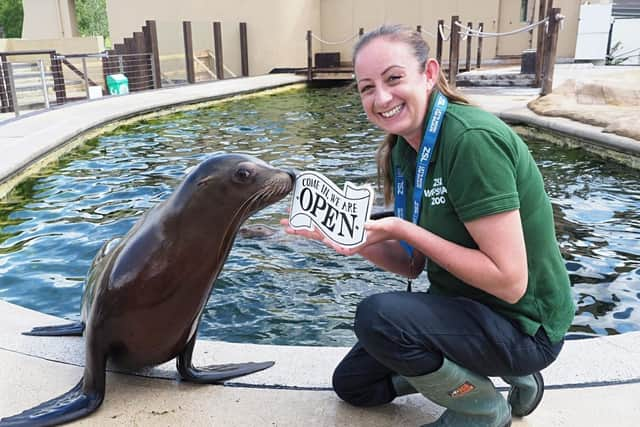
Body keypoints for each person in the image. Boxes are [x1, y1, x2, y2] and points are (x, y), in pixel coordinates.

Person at [281, 24, 574, 427]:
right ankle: (507, 378)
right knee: (354, 385)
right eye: (367, 87)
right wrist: (351, 239)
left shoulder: (471, 141)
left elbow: (509, 281)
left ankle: (483, 409)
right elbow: (412, 265)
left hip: (523, 326)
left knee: (376, 317)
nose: (381, 98)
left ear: (430, 73)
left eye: (394, 78)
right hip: (465, 310)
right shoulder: (404, 149)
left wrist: (403, 229)